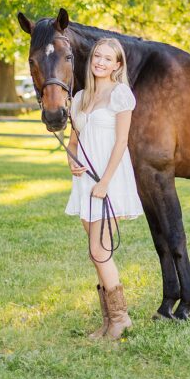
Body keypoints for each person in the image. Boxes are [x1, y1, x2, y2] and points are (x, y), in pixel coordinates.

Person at [65, 37, 144, 340]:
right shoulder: (82, 96)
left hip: (109, 180)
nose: (100, 62)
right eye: (97, 56)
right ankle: (108, 321)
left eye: (108, 58)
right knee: (95, 252)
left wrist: (105, 182)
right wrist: (71, 162)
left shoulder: (120, 94)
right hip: (86, 181)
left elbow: (122, 142)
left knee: (100, 251)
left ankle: (121, 319)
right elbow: (74, 142)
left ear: (117, 65)